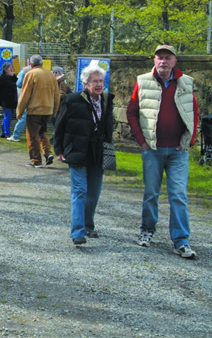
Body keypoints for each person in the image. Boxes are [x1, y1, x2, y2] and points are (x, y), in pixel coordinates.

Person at [127, 44, 200, 260]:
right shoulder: (143, 81)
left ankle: (181, 241)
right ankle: (147, 230)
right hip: (153, 149)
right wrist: (142, 141)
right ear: (154, 61)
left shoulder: (185, 82)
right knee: (151, 193)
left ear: (175, 61)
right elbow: (132, 112)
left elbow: (194, 112)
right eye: (159, 58)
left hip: (178, 151)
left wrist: (189, 139)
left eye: (167, 58)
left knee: (178, 195)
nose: (163, 62)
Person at [54, 65, 114, 245]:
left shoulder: (106, 100)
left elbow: (108, 128)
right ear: (85, 84)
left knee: (94, 192)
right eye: (95, 81)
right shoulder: (72, 100)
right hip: (78, 151)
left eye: (101, 81)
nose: (99, 84)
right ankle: (78, 232)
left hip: (99, 152)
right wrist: (59, 149)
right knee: (80, 191)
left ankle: (88, 225)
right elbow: (60, 125)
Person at [16, 55, 60, 167]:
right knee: (42, 132)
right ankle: (48, 153)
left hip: (35, 110)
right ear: (42, 63)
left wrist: (19, 111)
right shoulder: (51, 75)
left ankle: (35, 160)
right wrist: (54, 110)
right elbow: (56, 95)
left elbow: (25, 94)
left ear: (30, 64)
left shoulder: (30, 74)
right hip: (48, 110)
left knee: (32, 136)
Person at [6, 64, 32, 143]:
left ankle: (16, 135)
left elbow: (18, 83)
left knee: (22, 116)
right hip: (36, 98)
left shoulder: (25, 71)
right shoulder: (41, 72)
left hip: (25, 97)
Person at [0, 62, 18, 138]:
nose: (11, 69)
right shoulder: (2, 78)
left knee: (8, 116)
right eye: (9, 67)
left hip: (12, 100)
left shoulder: (11, 77)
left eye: (11, 67)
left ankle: (3, 131)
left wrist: (13, 75)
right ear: (5, 69)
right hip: (6, 100)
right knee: (8, 116)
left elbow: (17, 82)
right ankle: (7, 132)